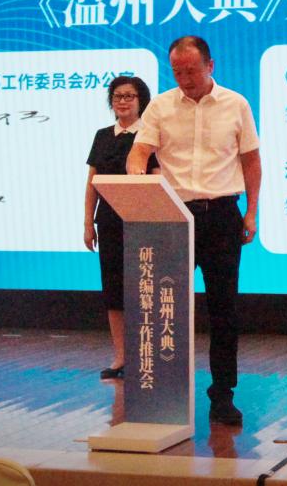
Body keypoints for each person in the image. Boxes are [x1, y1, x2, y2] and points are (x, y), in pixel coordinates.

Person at [125, 35, 261, 425]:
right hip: (172, 216)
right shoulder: (160, 106)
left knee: (223, 309)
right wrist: (137, 176)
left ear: (210, 66)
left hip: (222, 216)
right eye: (177, 72)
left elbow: (251, 162)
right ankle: (164, 392)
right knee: (165, 307)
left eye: (191, 71)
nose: (184, 79)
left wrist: (251, 212)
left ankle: (223, 394)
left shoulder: (236, 104)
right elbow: (139, 151)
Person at [83, 76, 158, 380]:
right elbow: (92, 183)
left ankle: (144, 355)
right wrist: (88, 222)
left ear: (142, 101)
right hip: (109, 222)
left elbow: (158, 178)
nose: (123, 101)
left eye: (129, 96)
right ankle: (120, 357)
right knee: (113, 291)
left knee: (142, 291)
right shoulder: (102, 136)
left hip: (142, 223)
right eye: (117, 96)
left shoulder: (149, 135)